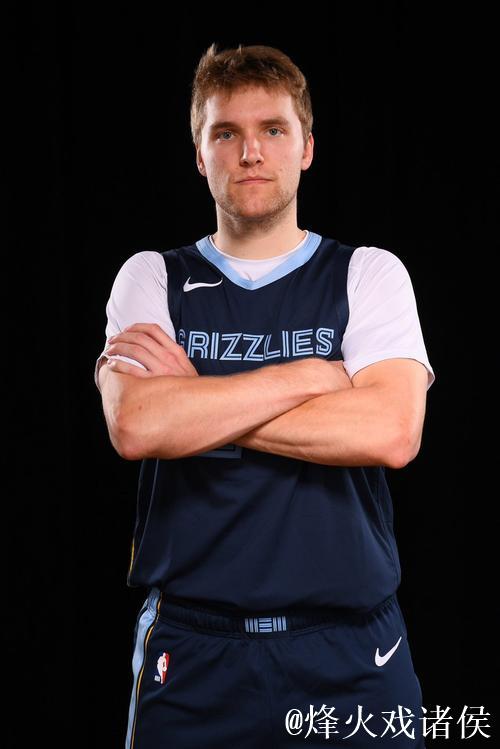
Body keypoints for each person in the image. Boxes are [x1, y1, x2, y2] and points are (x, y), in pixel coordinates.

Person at [95, 43, 435, 749]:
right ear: (200, 154)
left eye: (273, 129)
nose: (251, 152)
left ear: (307, 147)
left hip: (353, 651)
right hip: (193, 652)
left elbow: (391, 430)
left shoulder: (368, 274)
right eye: (226, 133)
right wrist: (312, 375)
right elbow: (137, 424)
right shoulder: (150, 277)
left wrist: (198, 402)